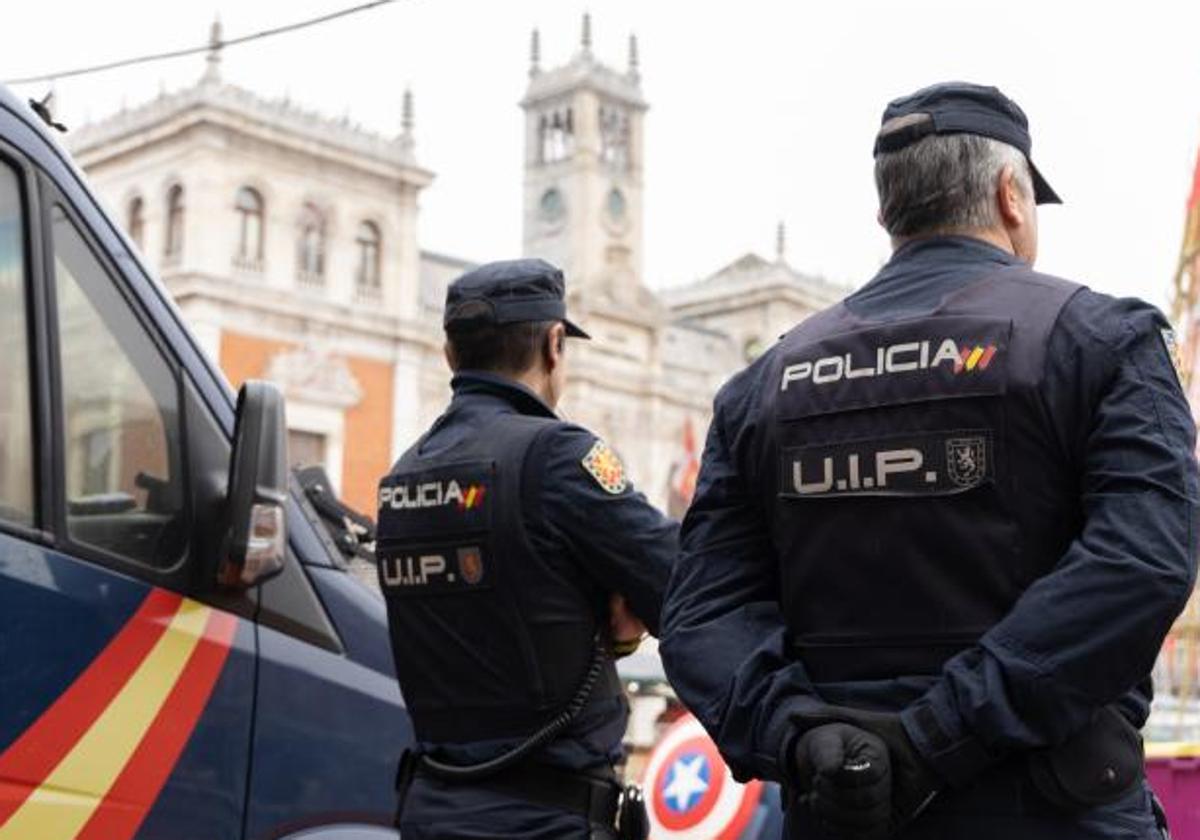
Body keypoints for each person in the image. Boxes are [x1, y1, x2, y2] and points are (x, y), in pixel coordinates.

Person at [660, 81, 1199, 839]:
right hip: (1050, 809)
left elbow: (701, 614)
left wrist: (804, 736)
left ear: (887, 213)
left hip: (842, 809)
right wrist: (934, 737)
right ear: (1012, 197)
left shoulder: (764, 385)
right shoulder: (1100, 341)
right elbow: (1142, 563)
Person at [376, 258, 676, 840]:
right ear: (554, 345)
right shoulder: (556, 455)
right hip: (544, 819)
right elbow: (679, 586)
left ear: (449, 355)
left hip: (433, 810)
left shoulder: (403, 474)